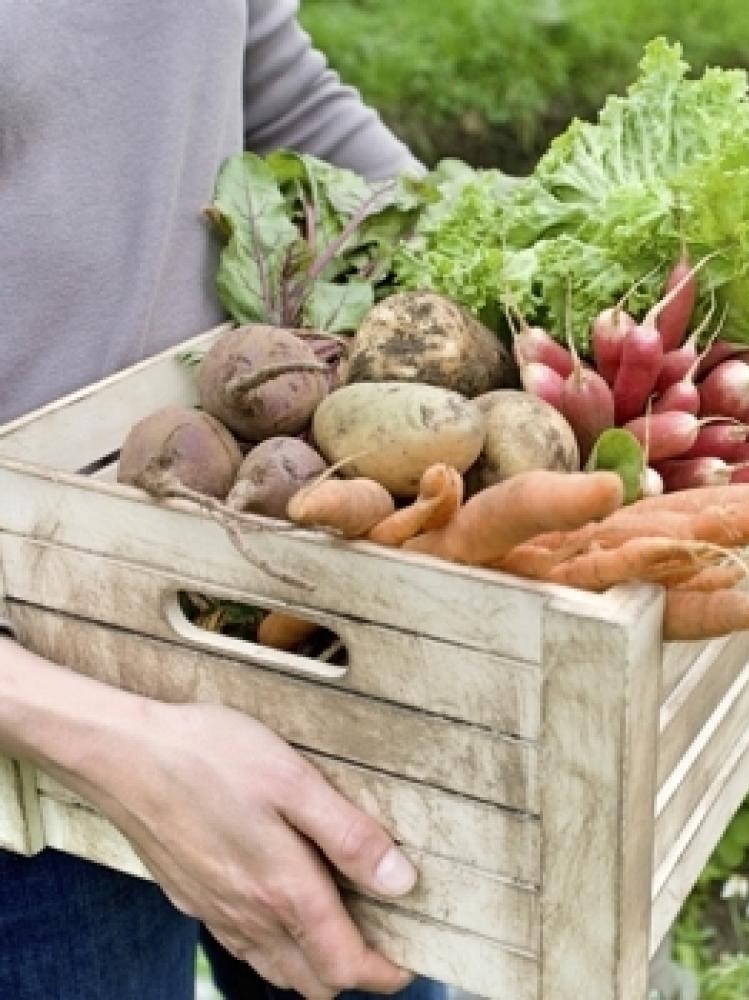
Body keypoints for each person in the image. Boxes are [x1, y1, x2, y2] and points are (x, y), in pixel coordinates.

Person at [0, 2, 447, 998]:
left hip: (267, 591)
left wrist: (493, 261)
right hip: (23, 774)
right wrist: (114, 740)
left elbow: (259, 65)